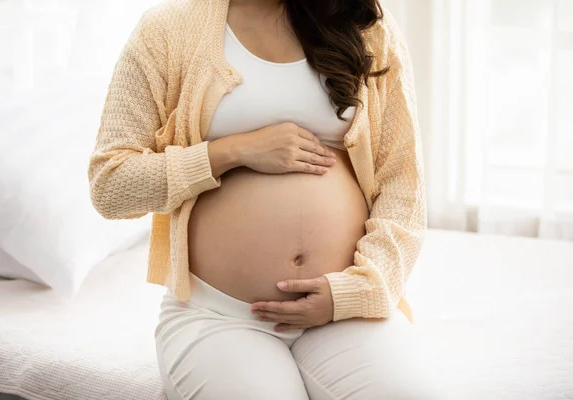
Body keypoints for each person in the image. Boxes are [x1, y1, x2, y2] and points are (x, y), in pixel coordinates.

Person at [88, 0, 446, 398]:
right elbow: (110, 185)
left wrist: (355, 292)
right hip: (220, 317)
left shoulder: (361, 23)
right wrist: (232, 151)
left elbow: (403, 184)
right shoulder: (167, 30)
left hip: (345, 308)